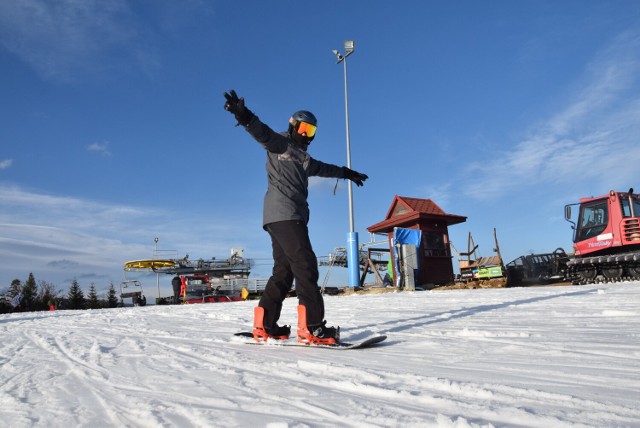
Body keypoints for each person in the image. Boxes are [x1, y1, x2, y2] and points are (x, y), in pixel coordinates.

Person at [223, 89, 368, 345]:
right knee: (305, 265)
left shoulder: (305, 158)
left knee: (284, 271)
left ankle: (264, 324)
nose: (305, 135)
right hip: (286, 214)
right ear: (292, 126)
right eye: (302, 129)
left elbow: (324, 168)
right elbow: (261, 131)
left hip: (280, 217)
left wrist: (347, 173)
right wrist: (243, 114)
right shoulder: (280, 143)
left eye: (310, 131)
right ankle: (313, 327)